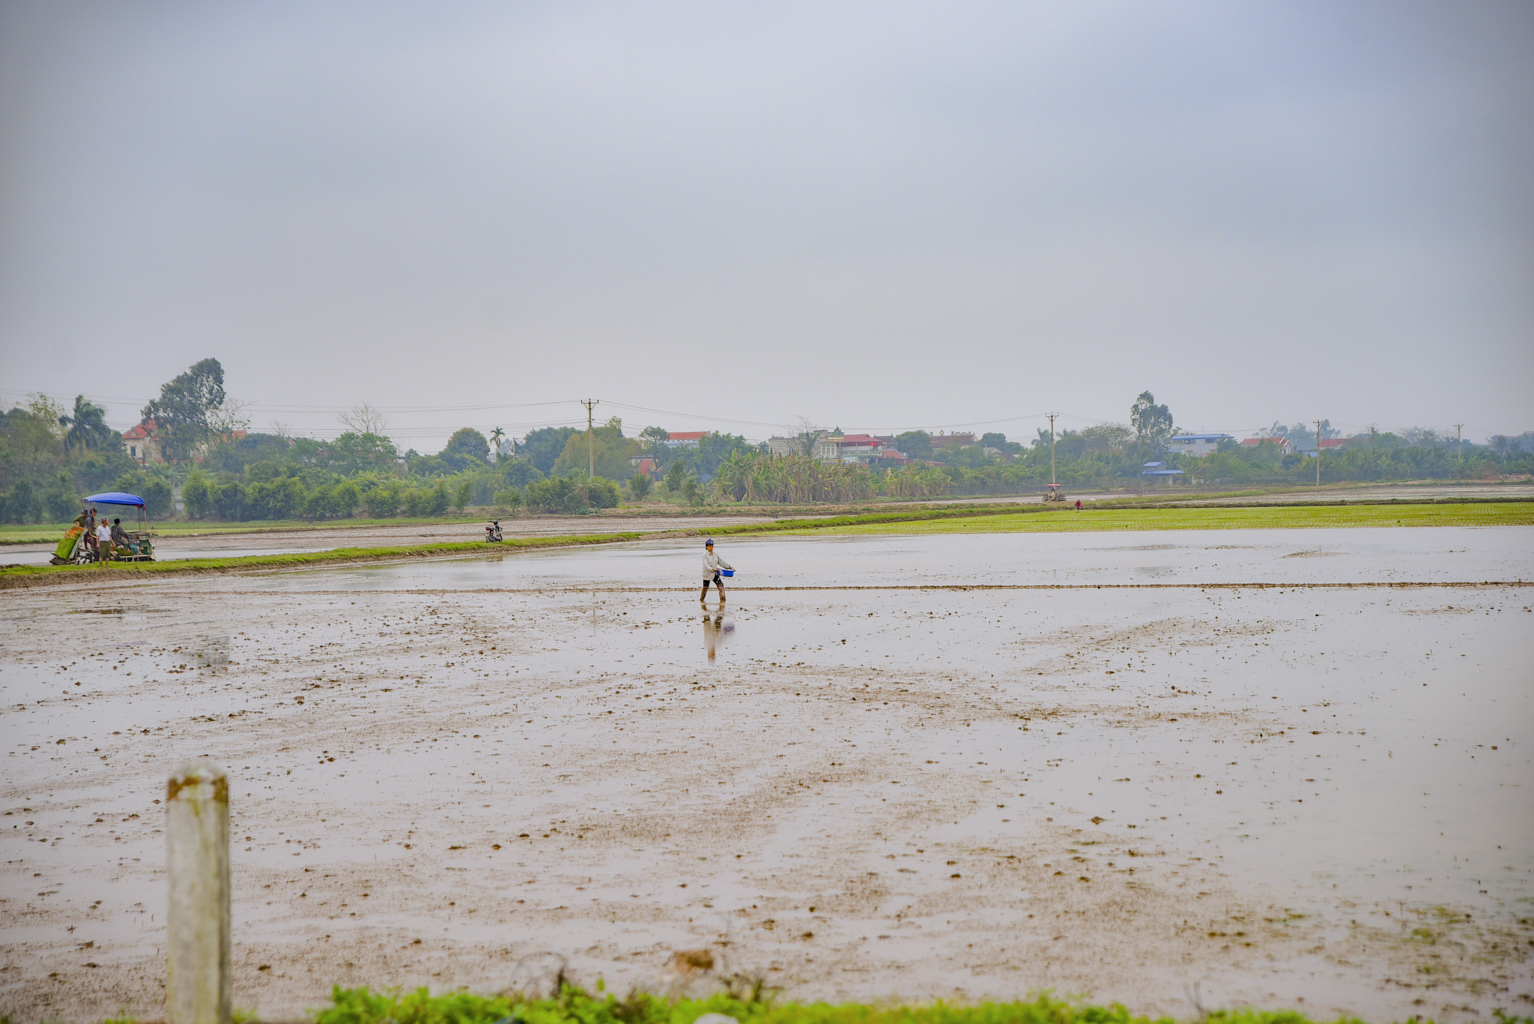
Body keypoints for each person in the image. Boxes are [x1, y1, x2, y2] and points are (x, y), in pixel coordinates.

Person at [701, 538, 732, 603]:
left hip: (715, 573)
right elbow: (706, 566)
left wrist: (730, 567)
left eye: (712, 545)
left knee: (721, 586)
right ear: (706, 547)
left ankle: (722, 601)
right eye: (709, 546)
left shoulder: (715, 554)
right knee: (705, 588)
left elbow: (721, 562)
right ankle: (701, 600)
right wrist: (712, 569)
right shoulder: (704, 555)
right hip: (707, 574)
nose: (711, 547)